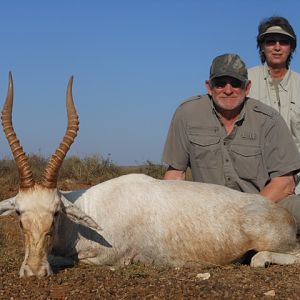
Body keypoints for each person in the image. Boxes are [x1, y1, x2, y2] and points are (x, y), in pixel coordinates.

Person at [162, 53, 300, 232]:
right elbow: (175, 175)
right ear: (209, 87)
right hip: (207, 214)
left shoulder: (269, 119)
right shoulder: (186, 114)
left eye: (236, 83)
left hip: (263, 207)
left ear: (247, 87)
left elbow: (284, 183)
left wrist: (244, 214)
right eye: (220, 83)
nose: (228, 90)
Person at [248, 16, 300, 193]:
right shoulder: (244, 82)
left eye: (283, 42)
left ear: (291, 47)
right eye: (270, 42)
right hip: (255, 187)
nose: (277, 47)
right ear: (262, 47)